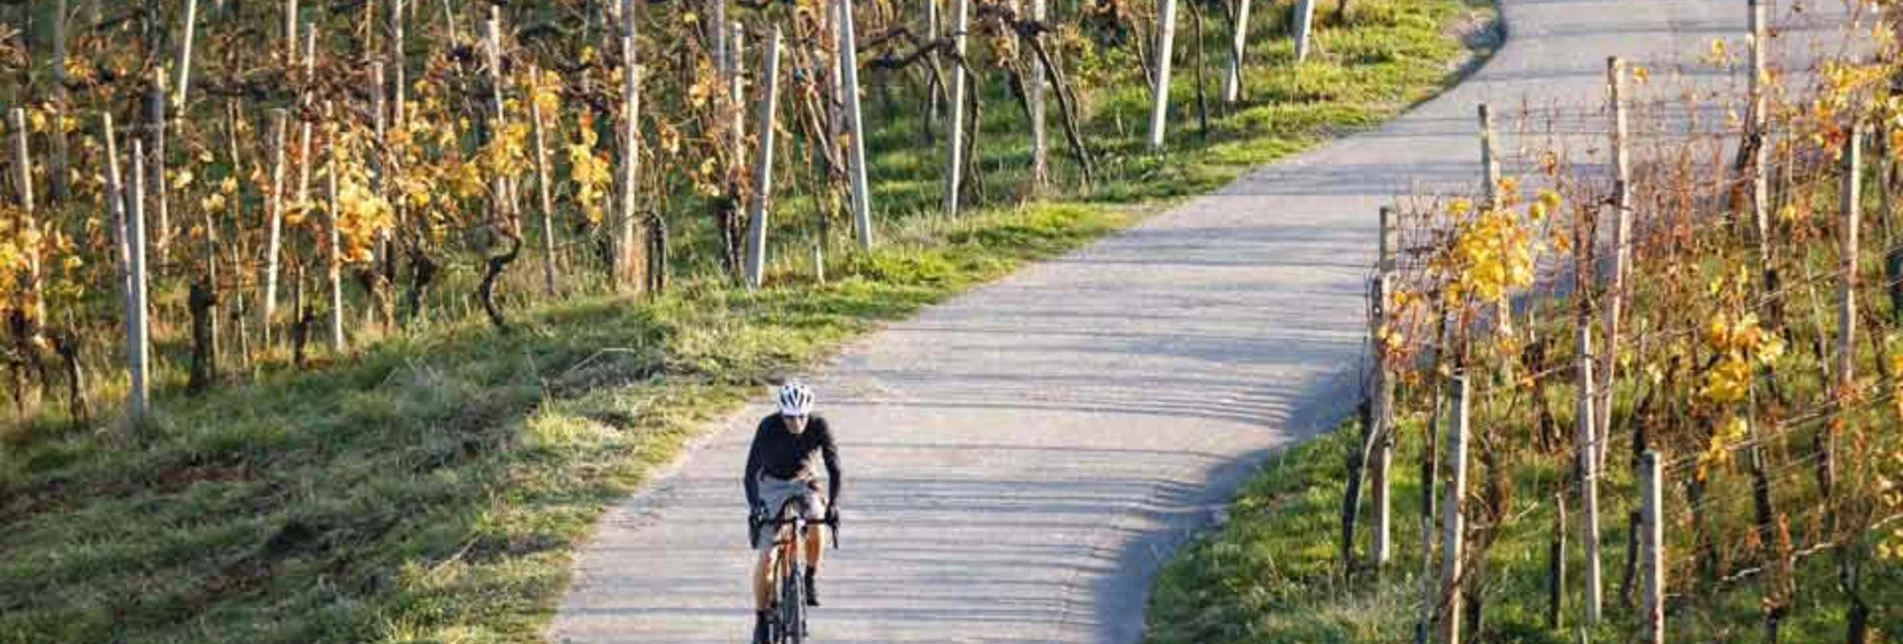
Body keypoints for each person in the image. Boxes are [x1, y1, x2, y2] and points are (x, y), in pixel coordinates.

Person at [744, 381, 841, 643]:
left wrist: (832, 504)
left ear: (809, 412)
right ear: (780, 413)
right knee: (767, 557)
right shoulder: (767, 427)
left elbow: (834, 468)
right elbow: (750, 474)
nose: (796, 423)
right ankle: (762, 618)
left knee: (816, 524)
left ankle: (808, 577)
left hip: (805, 480)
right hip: (772, 484)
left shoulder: (820, 425)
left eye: (801, 416)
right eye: (790, 417)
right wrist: (756, 507)